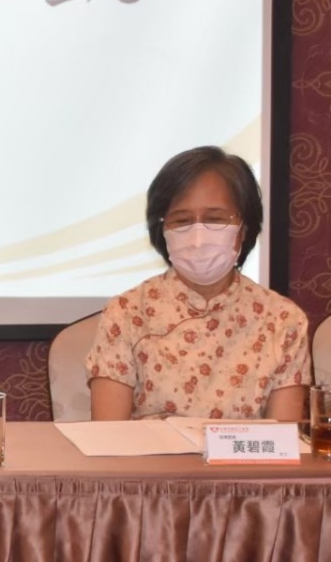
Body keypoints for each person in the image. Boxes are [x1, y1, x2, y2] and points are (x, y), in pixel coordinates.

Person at [87, 146, 309, 421]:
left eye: (215, 219)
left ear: (244, 228)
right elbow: (108, 435)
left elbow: (282, 439)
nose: (198, 237)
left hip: (247, 453)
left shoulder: (284, 320)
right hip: (148, 452)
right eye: (182, 221)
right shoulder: (126, 313)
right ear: (162, 230)